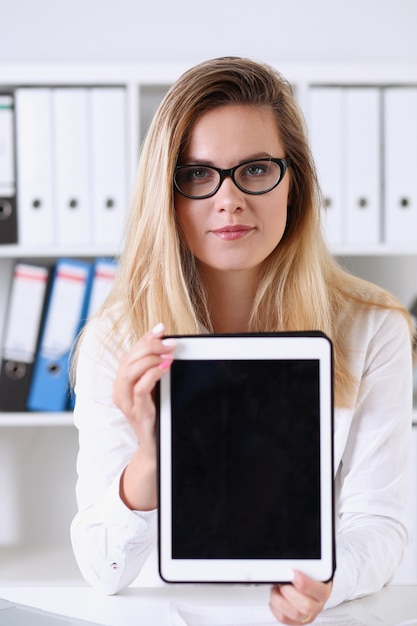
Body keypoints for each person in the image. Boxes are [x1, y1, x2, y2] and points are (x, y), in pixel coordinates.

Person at [70, 56, 413, 625]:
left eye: (255, 169)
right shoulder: (119, 337)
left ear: (293, 184)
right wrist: (153, 455)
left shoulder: (374, 326)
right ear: (168, 194)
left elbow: (379, 524)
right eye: (198, 175)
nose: (228, 199)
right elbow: (103, 567)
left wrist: (325, 580)